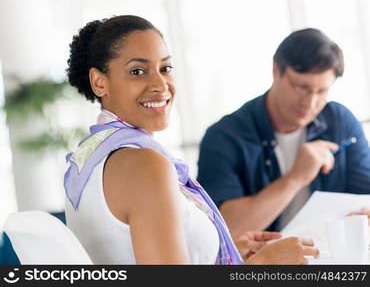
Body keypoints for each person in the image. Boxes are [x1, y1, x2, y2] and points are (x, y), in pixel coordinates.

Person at [63, 15, 318, 265]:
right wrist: (264, 264)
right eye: (137, 71)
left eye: (165, 68)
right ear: (99, 83)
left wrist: (218, 252)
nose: (160, 85)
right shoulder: (143, 165)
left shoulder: (92, 157)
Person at [197, 28, 370, 238]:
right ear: (276, 70)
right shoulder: (224, 137)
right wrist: (296, 178)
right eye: (301, 87)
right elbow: (227, 230)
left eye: (322, 91)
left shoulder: (341, 122)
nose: (310, 102)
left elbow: (364, 195)